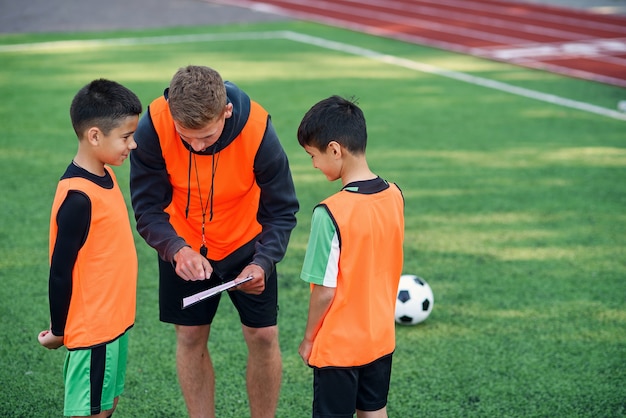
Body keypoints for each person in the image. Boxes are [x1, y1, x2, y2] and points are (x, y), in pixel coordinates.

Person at [129, 65, 299, 418]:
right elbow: (147, 207)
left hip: (247, 244)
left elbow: (281, 210)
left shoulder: (257, 129)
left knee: (264, 336)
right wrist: (176, 249)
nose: (196, 145)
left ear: (227, 111)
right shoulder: (153, 125)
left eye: (206, 136)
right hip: (182, 244)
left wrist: (264, 260)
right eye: (186, 135)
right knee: (189, 337)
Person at [38, 79, 142, 418]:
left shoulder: (106, 174)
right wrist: (58, 330)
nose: (133, 144)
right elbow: (59, 271)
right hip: (94, 330)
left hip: (115, 322)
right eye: (126, 137)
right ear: (95, 136)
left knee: (106, 406)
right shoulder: (77, 198)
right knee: (89, 412)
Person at [296, 95, 405, 418]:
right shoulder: (395, 195)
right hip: (380, 337)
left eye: (312, 156)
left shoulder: (329, 213)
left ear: (334, 149)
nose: (314, 165)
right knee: (374, 411)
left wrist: (308, 338)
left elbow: (325, 291)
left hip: (339, 346)